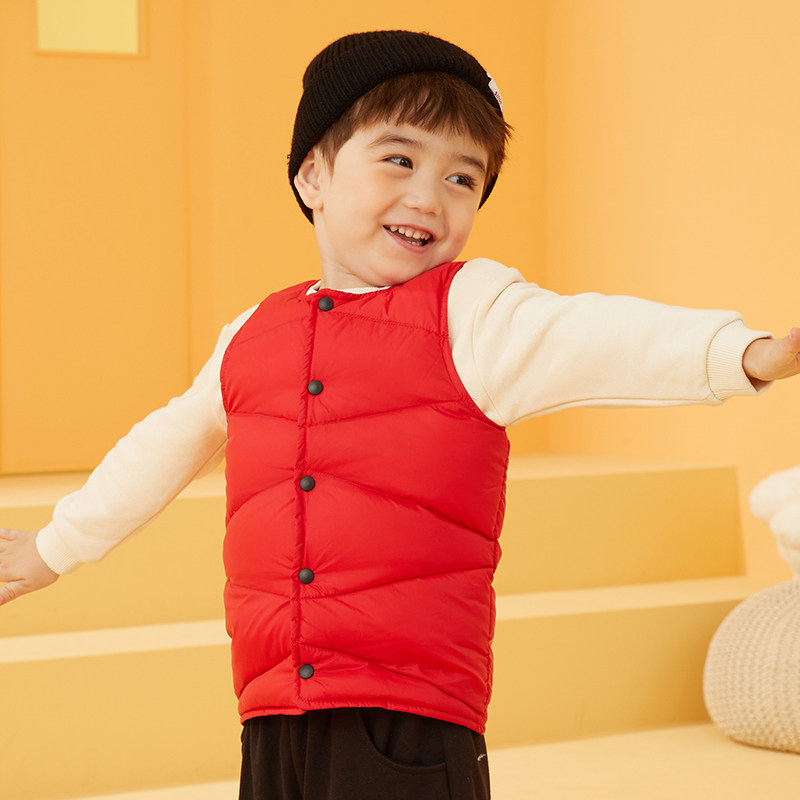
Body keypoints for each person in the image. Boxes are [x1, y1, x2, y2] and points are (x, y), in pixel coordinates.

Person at [1, 29, 799, 800]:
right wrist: (55, 546)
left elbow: (594, 334)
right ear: (313, 176)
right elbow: (165, 445)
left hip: (408, 716)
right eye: (399, 159)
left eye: (462, 179)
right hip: (273, 707)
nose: (429, 197)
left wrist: (743, 354)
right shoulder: (252, 333)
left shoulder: (473, 314)